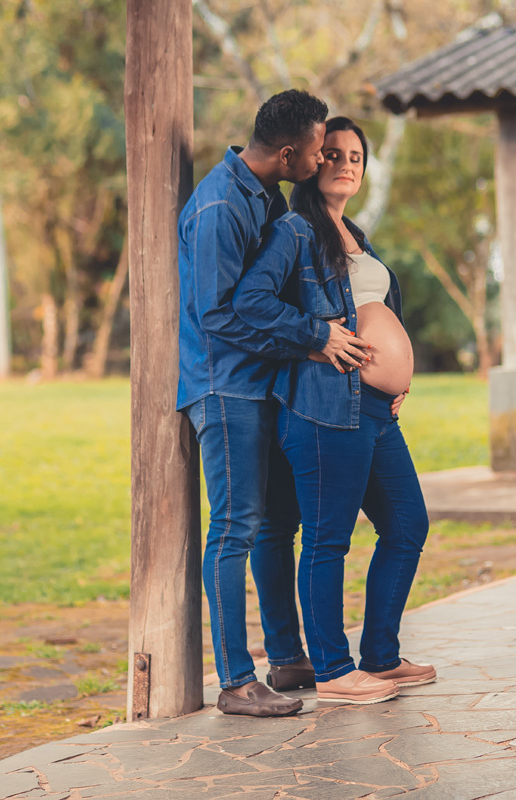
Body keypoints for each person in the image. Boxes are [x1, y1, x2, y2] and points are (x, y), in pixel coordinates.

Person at [177, 92, 371, 717]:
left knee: (274, 526)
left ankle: (286, 659)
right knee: (234, 527)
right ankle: (236, 682)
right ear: (288, 154)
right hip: (225, 386)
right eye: (317, 152)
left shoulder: (266, 197)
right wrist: (313, 338)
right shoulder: (220, 206)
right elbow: (219, 314)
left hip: (266, 384)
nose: (322, 162)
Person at [234, 117, 433, 706]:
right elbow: (250, 300)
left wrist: (400, 375)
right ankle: (333, 669)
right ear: (313, 161)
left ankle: (381, 656)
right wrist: (317, 334)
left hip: (376, 409)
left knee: (408, 524)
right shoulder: (294, 231)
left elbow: (379, 311)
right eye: (335, 154)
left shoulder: (356, 235)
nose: (347, 164)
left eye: (357, 156)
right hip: (324, 406)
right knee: (328, 540)